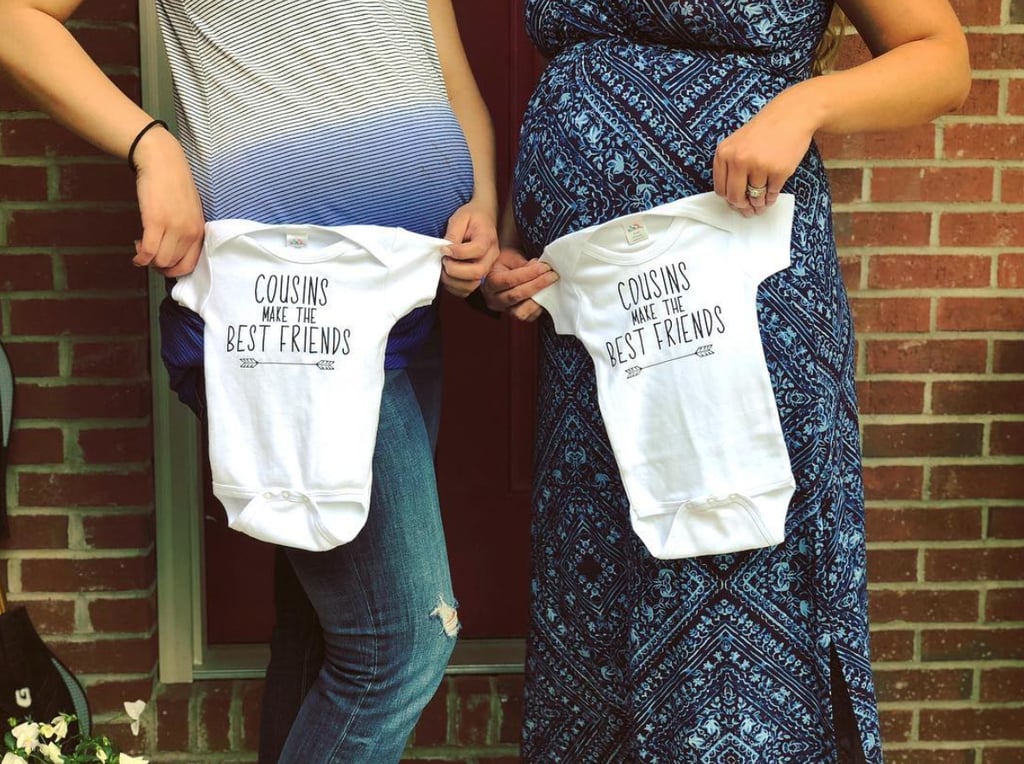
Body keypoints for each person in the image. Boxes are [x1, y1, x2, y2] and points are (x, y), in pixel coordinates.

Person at [0, 1, 499, 762]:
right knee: (401, 643)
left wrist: (483, 202)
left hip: (400, 301)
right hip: (288, 327)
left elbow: (444, 65)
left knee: (326, 626)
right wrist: (151, 146)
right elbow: (13, 17)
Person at [482, 1, 969, 762]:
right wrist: (519, 233)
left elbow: (941, 58)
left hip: (750, 304)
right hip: (599, 319)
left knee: (740, 566)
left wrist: (804, 105)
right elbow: (574, 71)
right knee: (606, 573)